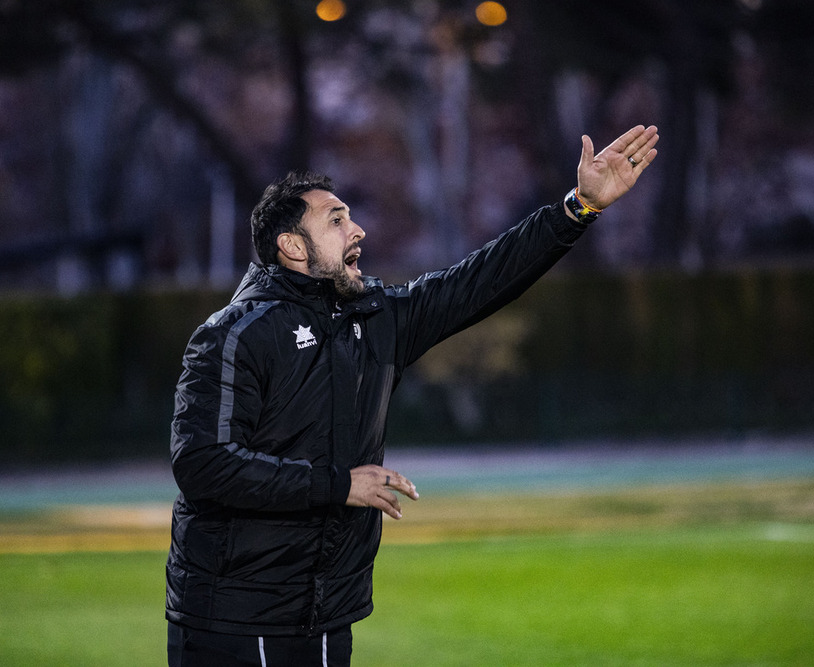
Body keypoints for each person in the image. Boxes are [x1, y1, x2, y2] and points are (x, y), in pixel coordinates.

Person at [166, 124, 660, 666]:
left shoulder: (375, 317)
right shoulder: (235, 333)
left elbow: (479, 280)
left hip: (328, 612)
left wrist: (577, 208)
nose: (358, 231)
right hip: (233, 617)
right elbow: (203, 464)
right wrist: (337, 486)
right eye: (336, 220)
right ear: (291, 246)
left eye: (351, 216)